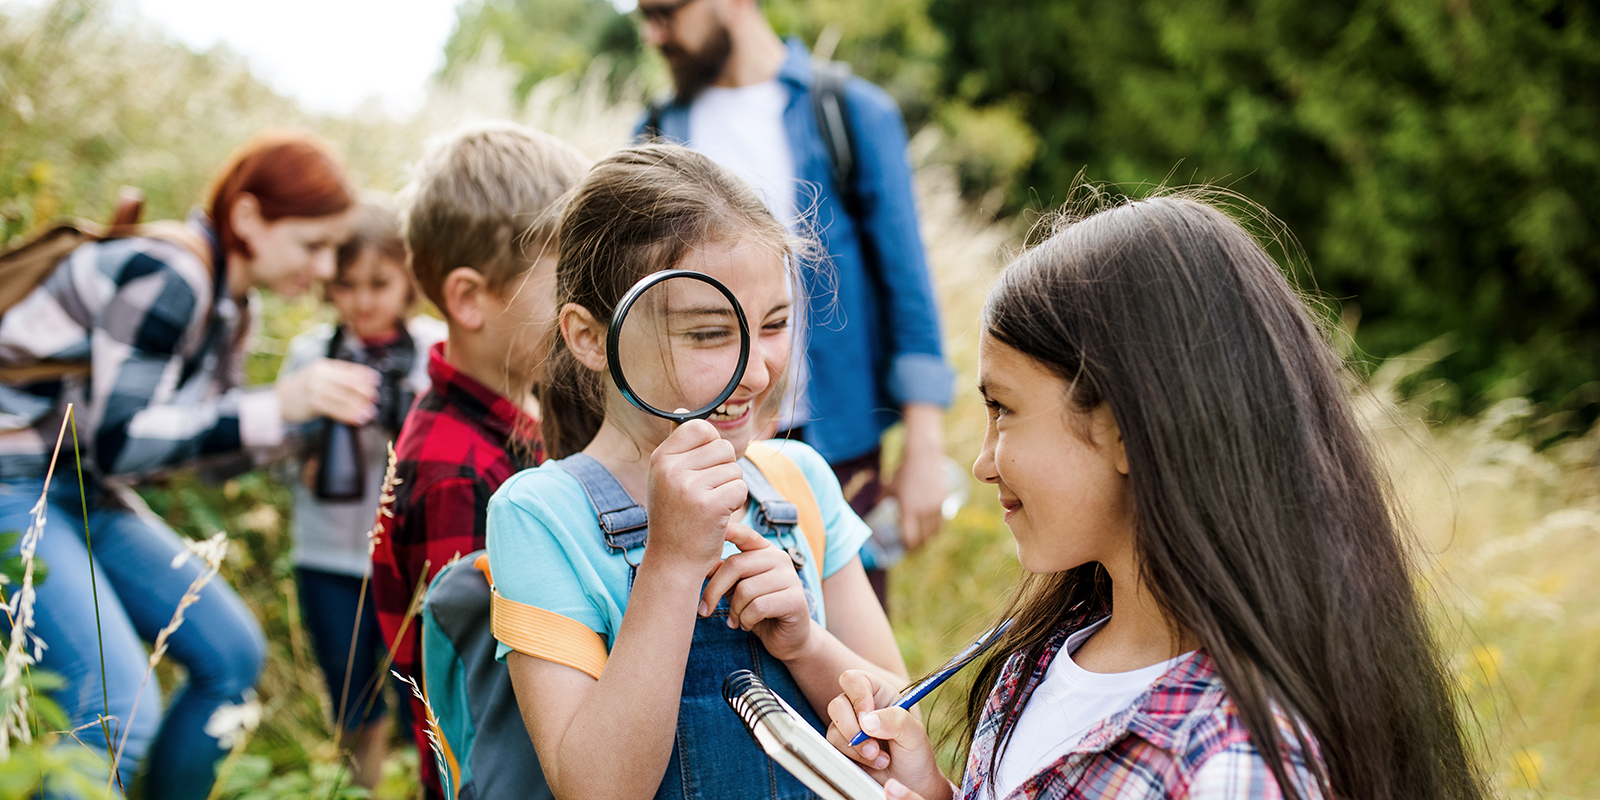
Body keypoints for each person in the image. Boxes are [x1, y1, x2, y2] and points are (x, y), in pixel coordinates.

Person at [825, 193, 1486, 800]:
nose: (982, 463)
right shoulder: (1040, 655)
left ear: (1123, 432)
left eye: (1003, 409)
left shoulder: (1236, 763)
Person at [485, 143, 907, 800]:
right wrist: (673, 564)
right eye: (710, 333)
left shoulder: (799, 483)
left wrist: (804, 644)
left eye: (774, 325)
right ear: (590, 338)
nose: (760, 371)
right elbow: (595, 790)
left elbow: (898, 733)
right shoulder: (539, 515)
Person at [0, 132, 372, 796]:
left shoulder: (232, 309)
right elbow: (121, 440)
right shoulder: (173, 273)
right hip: (13, 480)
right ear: (250, 218)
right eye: (313, 245)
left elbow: (192, 457)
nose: (323, 269)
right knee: (113, 710)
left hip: (83, 486)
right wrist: (273, 405)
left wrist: (301, 422)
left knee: (231, 655)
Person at [633, 0, 954, 603]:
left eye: (665, 11)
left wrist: (924, 446)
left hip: (842, 444)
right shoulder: (655, 135)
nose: (653, 33)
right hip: (708, 441)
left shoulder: (851, 113)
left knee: (847, 638)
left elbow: (907, 285)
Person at [369, 121, 589, 799]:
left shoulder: (520, 426)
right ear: (470, 298)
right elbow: (484, 692)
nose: (589, 303)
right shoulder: (455, 474)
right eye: (569, 279)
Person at [276, 200, 445, 789]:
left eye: (380, 283)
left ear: (408, 282)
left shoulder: (432, 351)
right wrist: (310, 454)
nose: (364, 300)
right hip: (327, 553)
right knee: (351, 694)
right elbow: (275, 453)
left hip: (409, 557)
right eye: (346, 286)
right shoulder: (311, 354)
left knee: (422, 700)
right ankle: (362, 786)